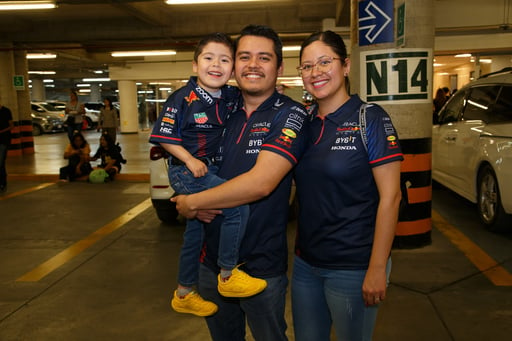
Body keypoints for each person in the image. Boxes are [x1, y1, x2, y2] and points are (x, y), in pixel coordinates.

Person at [171, 25, 309, 341]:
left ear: (279, 67)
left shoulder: (290, 114)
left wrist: (194, 203)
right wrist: (184, 195)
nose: (253, 65)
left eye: (264, 57)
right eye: (244, 57)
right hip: (210, 263)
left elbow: (261, 183)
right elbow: (186, 158)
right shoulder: (222, 109)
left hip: (259, 266)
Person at [291, 30, 403, 341]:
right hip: (305, 264)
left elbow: (391, 197)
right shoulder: (303, 123)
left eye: (324, 62)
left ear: (345, 66)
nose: (316, 72)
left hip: (353, 266)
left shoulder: (371, 119)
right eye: (307, 66)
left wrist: (378, 267)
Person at [149, 32, 267, 318]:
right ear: (195, 65)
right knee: (237, 205)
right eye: (209, 58)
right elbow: (163, 135)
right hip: (188, 172)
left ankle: (184, 292)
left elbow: (252, 92)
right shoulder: (183, 98)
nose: (216, 65)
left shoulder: (227, 95)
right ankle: (228, 274)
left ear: (232, 68)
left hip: (208, 168)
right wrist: (189, 160)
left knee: (194, 234)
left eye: (224, 59)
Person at [0, 103, 14, 192]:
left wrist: (1, 131)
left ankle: (2, 183)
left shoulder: (6, 111)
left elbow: (11, 125)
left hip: (3, 140)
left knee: (0, 161)